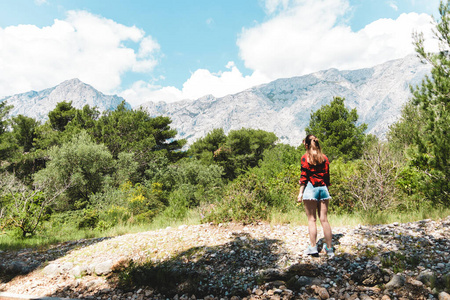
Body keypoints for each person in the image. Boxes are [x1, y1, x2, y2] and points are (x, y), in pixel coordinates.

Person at [297, 134, 334, 258]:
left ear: (307, 145)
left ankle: (313, 247)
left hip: (310, 189)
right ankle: (329, 248)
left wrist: (300, 193)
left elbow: (304, 177)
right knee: (324, 219)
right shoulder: (324, 158)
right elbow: (327, 176)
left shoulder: (305, 158)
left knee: (312, 220)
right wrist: (327, 190)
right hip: (323, 189)